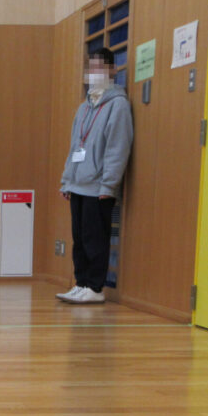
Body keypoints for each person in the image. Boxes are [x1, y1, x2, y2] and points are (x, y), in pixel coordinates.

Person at [58, 48, 133, 304]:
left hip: (98, 186)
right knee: (79, 238)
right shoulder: (84, 107)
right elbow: (74, 145)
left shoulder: (118, 105)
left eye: (100, 68)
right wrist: (67, 180)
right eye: (91, 68)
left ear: (112, 70)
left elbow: (117, 148)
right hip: (78, 184)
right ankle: (81, 283)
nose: (95, 73)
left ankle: (95, 287)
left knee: (95, 238)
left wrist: (109, 185)